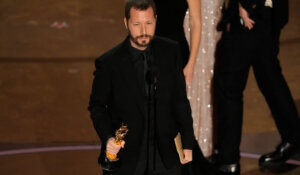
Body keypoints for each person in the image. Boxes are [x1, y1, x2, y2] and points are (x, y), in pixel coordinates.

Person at [88, 0, 195, 174]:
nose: (143, 31)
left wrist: (188, 143)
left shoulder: (170, 51)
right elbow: (97, 106)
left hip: (165, 155)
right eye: (137, 24)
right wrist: (108, 138)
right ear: (126, 23)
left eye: (149, 23)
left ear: (156, 20)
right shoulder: (109, 63)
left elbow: (180, 100)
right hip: (127, 156)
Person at [214, 0, 300, 174]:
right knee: (270, 78)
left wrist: (246, 4)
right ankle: (294, 140)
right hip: (268, 13)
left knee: (229, 86)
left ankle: (228, 160)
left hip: (251, 14)